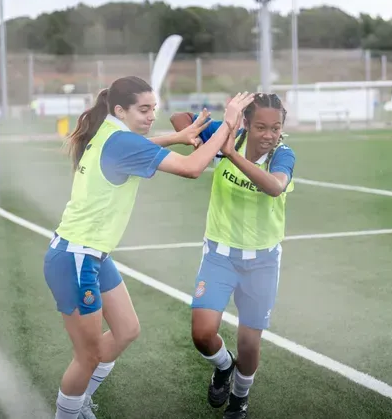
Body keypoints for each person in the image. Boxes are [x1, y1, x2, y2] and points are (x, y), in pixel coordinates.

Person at [43, 75, 255, 419]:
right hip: (75, 257)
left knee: (127, 330)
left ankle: (79, 404)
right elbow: (191, 168)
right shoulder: (122, 142)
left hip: (91, 254)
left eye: (153, 108)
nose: (151, 115)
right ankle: (67, 413)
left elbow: (134, 145)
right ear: (119, 110)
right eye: (143, 109)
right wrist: (229, 122)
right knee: (89, 355)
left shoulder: (109, 134)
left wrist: (176, 136)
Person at [170, 93, 296, 419]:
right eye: (261, 127)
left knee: (249, 344)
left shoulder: (282, 155)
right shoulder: (231, 134)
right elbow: (179, 119)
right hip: (219, 255)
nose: (269, 134)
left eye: (276, 127)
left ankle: (240, 398)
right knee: (202, 334)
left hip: (262, 263)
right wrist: (208, 142)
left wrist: (228, 156)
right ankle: (224, 367)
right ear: (247, 124)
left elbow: (275, 187)